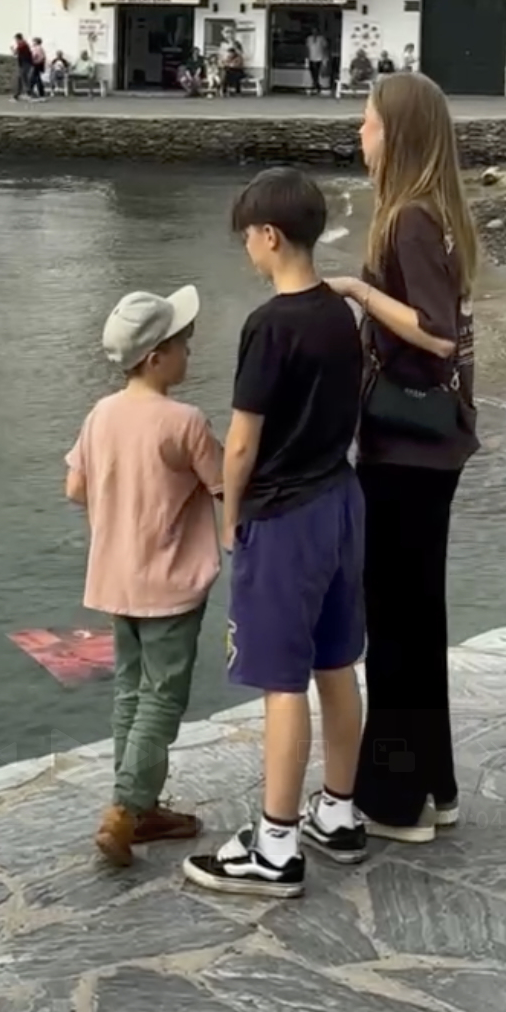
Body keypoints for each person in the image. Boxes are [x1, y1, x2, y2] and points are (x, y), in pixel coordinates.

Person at [183, 168, 366, 901]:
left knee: (282, 681)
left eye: (248, 240)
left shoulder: (270, 325)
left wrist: (230, 520)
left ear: (269, 235)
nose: (247, 253)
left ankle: (277, 844)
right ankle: (340, 811)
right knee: (337, 662)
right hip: (342, 502)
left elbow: (240, 443)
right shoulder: (336, 316)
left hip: (285, 516)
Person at [325, 73, 478, 842]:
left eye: (368, 122)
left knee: (395, 624)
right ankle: (436, 785)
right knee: (419, 617)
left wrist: (354, 287)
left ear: (399, 134)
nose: (360, 133)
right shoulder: (435, 212)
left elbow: (436, 330)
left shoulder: (409, 218)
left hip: (407, 448)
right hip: (434, 445)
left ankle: (394, 800)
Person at [65, 287, 224, 867]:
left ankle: (140, 805)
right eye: (183, 343)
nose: (190, 350)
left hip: (115, 581)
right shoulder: (185, 421)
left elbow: (74, 488)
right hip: (171, 585)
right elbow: (225, 483)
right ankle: (126, 811)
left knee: (129, 693)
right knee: (162, 699)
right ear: (156, 356)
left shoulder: (99, 413)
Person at [305, 28, 329, 96]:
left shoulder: (321, 38)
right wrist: (307, 57)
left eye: (315, 31)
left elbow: (325, 48)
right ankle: (316, 84)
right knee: (312, 72)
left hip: (319, 57)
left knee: (317, 72)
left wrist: (325, 58)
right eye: (313, 31)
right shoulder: (309, 38)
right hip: (311, 57)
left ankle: (315, 85)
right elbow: (307, 48)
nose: (314, 32)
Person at [11, 32, 34, 101]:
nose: (16, 41)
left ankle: (27, 93)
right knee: (22, 78)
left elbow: (16, 52)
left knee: (22, 78)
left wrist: (13, 49)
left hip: (25, 63)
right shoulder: (23, 44)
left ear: (18, 39)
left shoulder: (22, 44)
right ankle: (20, 94)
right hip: (24, 63)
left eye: (16, 39)